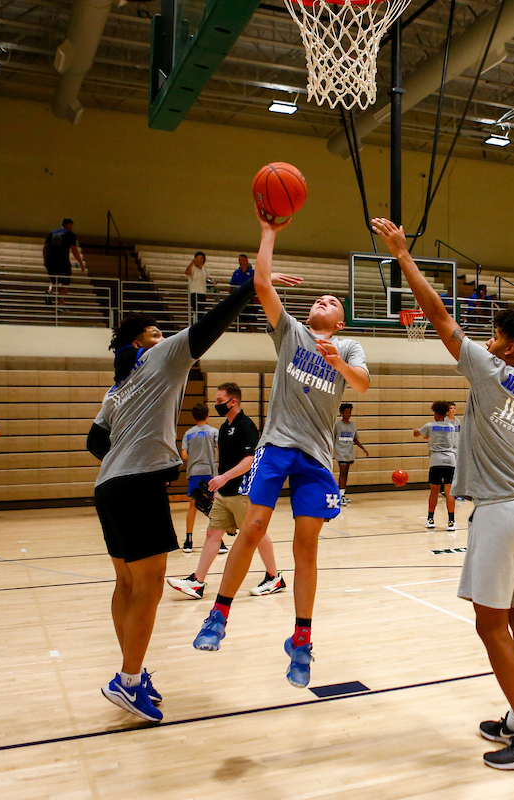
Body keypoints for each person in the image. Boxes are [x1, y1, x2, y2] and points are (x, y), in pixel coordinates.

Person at [373, 215, 514, 770]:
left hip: (501, 513)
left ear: (510, 348)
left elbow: (437, 315)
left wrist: (404, 256)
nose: (489, 340)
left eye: (498, 336)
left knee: (488, 624)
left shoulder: (487, 370)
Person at [87, 217, 295, 723]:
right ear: (142, 342)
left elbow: (95, 443)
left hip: (108, 485)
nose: (163, 335)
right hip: (138, 484)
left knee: (126, 585)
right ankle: (129, 680)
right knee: (151, 586)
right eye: (155, 332)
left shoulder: (117, 388)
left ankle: (129, 671)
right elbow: (210, 325)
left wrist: (131, 443)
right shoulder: (160, 356)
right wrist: (252, 286)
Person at [192, 210, 369, 694]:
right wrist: (269, 233)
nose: (323, 300)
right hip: (276, 446)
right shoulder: (291, 332)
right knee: (252, 525)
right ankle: (218, 614)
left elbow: (364, 383)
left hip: (316, 457)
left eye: (331, 301)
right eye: (318, 297)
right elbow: (264, 285)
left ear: (340, 319)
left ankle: (302, 639)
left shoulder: (348, 348)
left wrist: (339, 363)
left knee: (305, 548)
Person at [167, 383, 284, 600]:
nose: (217, 405)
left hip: (242, 490)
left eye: (220, 401)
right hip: (224, 491)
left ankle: (274, 577)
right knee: (213, 533)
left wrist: (225, 477)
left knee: (255, 534)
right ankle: (197, 582)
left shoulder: (246, 426)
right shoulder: (222, 428)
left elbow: (250, 460)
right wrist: (217, 481)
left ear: (234, 402)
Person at [414, 401, 458, 530]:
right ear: (445, 414)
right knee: (450, 493)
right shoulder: (451, 426)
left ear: (435, 414)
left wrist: (417, 431)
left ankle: (431, 519)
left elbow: (417, 434)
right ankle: (451, 522)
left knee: (434, 492)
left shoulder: (429, 425)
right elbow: (446, 439)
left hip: (436, 462)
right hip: (450, 461)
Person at [180, 402, 218, 553]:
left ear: (193, 417)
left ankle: (188, 540)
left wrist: (194, 459)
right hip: (209, 471)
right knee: (213, 505)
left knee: (192, 506)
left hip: (194, 472)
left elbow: (184, 454)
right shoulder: (214, 431)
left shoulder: (188, 433)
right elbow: (219, 449)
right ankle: (218, 540)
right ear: (207, 416)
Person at [334, 403, 369, 505]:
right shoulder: (337, 425)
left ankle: (343, 494)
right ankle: (340, 496)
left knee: (346, 474)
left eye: (350, 412)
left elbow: (355, 439)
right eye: (346, 412)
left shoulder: (352, 425)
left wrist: (363, 448)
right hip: (341, 452)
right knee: (342, 472)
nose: (348, 414)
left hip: (349, 452)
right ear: (342, 413)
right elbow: (332, 438)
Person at [42, 218, 85, 302]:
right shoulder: (70, 234)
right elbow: (74, 249)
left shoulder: (52, 233)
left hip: (50, 261)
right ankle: (60, 304)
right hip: (62, 261)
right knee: (65, 283)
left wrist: (45, 260)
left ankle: (50, 291)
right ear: (68, 225)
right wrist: (80, 262)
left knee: (54, 280)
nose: (72, 228)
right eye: (71, 225)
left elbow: (45, 247)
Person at [229, 254, 258, 330]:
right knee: (239, 318)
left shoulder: (252, 273)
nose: (241, 262)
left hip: (249, 298)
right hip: (239, 298)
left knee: (249, 319)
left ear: (246, 261)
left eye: (242, 260)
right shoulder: (236, 273)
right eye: (239, 260)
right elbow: (231, 285)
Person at [185, 251, 211, 323]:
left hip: (202, 292)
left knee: (201, 311)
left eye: (201, 258)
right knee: (196, 311)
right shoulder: (192, 268)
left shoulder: (204, 270)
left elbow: (207, 280)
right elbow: (187, 273)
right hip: (194, 292)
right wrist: (192, 263)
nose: (200, 260)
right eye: (198, 258)